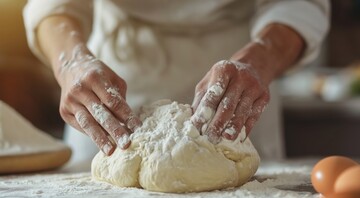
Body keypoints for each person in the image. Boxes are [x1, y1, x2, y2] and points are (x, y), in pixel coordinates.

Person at [23, 0, 330, 164]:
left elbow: (299, 4)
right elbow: (52, 5)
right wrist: (71, 64)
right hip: (115, 85)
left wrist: (259, 60)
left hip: (237, 85)